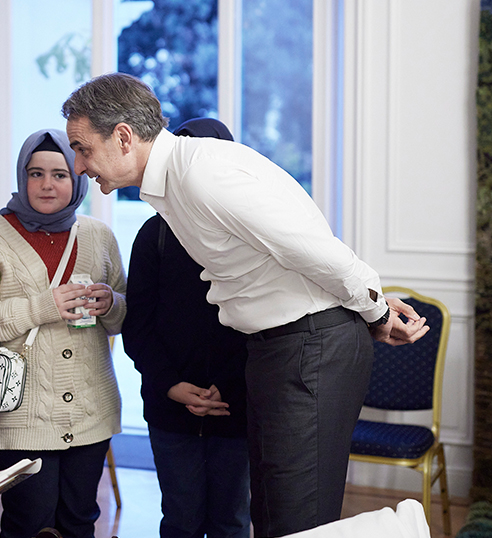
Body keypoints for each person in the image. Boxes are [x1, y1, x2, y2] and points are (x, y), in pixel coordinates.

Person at [61, 73, 430, 538]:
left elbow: (313, 248)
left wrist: (373, 308)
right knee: (273, 517)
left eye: (82, 148)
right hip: (281, 348)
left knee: (300, 524)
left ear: (123, 136)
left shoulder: (201, 174)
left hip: (308, 345)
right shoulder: (175, 184)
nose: (78, 165)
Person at [0, 128, 126, 538]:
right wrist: (42, 307)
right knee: (30, 521)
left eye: (60, 174)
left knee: (81, 520)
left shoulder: (99, 236)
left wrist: (110, 304)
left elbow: (124, 316)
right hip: (20, 413)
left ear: (78, 177)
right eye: (36, 173)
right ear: (21, 177)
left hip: (90, 411)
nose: (47, 184)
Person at [122, 118, 250, 538]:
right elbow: (137, 328)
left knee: (231, 521)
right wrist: (173, 385)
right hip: (169, 408)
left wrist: (225, 391)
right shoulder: (153, 236)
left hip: (239, 410)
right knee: (181, 520)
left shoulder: (252, 236)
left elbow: (267, 328)